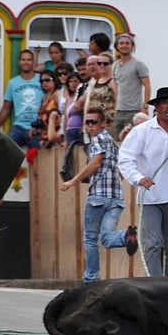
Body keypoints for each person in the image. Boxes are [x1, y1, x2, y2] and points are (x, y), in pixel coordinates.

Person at [117, 87, 168, 277]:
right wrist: (139, 178)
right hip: (150, 198)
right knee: (152, 244)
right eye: (164, 103)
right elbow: (125, 159)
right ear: (157, 107)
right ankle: (155, 284)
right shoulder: (142, 131)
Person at [60, 107, 137, 284]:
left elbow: (95, 163)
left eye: (93, 122)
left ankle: (91, 279)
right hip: (116, 198)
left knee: (90, 239)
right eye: (87, 122)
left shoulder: (98, 140)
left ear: (103, 123)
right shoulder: (113, 143)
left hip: (98, 196)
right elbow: (120, 170)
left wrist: (73, 181)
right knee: (107, 238)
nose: (89, 126)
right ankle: (126, 236)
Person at [0, 49, 44, 148]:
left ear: (33, 62)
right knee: (5, 148)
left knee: (42, 154)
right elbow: (6, 108)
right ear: (19, 62)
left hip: (38, 127)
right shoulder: (13, 83)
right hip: (19, 127)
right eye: (23, 60)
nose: (26, 62)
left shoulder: (42, 79)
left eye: (29, 60)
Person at [112, 33, 151, 135]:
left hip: (134, 110)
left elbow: (147, 85)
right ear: (117, 46)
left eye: (127, 43)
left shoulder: (138, 64)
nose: (124, 45)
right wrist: (115, 107)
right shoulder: (115, 65)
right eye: (121, 43)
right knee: (118, 139)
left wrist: (145, 106)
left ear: (132, 46)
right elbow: (115, 87)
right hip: (119, 111)